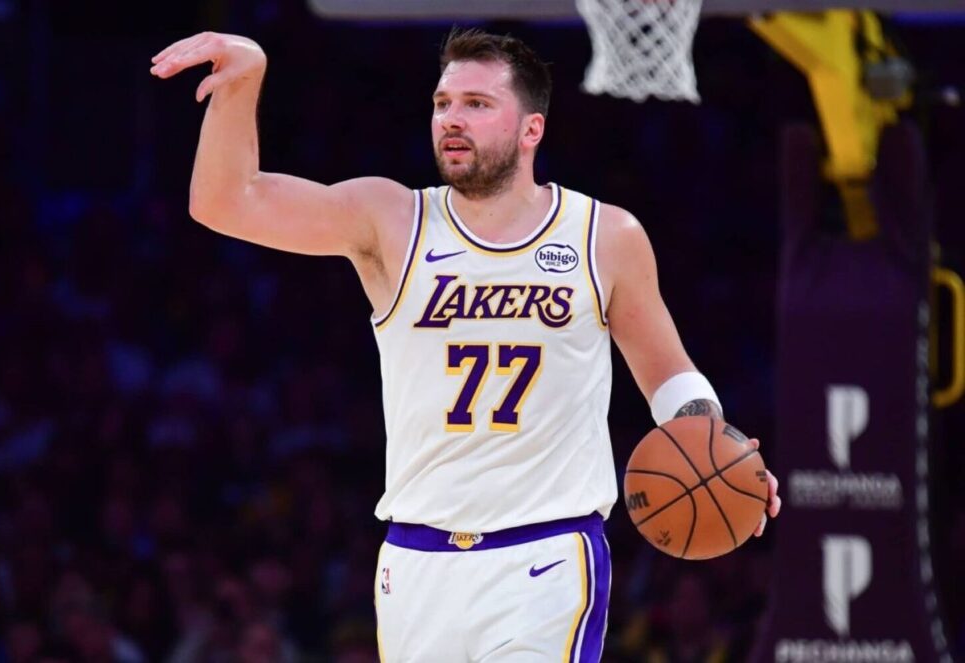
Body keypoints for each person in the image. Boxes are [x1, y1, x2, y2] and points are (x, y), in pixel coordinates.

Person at [151, 28, 781, 662]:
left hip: (548, 557)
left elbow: (668, 374)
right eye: (442, 103)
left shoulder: (604, 235)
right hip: (416, 562)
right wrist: (243, 79)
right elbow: (226, 202)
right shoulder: (391, 220)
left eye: (477, 104)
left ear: (531, 129)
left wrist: (713, 450)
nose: (453, 119)